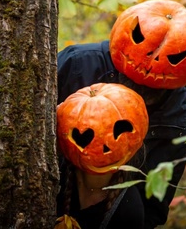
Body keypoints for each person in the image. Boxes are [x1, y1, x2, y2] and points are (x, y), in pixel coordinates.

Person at [56, 0, 186, 228]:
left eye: (174, 56)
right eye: (140, 37)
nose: (153, 59)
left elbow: (153, 208)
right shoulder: (77, 64)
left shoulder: (177, 119)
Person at [55, 83, 149, 229]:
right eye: (89, 136)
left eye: (118, 132)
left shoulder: (129, 209)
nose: (105, 150)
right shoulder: (56, 178)